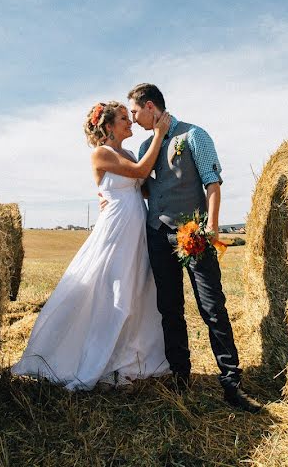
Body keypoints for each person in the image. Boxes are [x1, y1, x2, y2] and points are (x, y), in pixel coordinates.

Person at [11, 101, 172, 390]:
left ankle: (126, 357)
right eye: (124, 118)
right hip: (115, 231)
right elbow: (138, 171)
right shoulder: (102, 153)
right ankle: (79, 357)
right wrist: (159, 135)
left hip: (136, 230)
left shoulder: (130, 152)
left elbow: (144, 184)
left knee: (137, 290)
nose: (130, 122)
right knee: (111, 291)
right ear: (108, 126)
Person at [128, 83, 262, 413]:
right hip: (158, 236)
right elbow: (146, 188)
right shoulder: (148, 144)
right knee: (169, 307)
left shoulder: (194, 135)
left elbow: (212, 184)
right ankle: (180, 376)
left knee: (212, 306)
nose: (132, 120)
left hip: (194, 234)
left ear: (149, 106)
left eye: (133, 112)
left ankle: (231, 382)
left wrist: (211, 227)